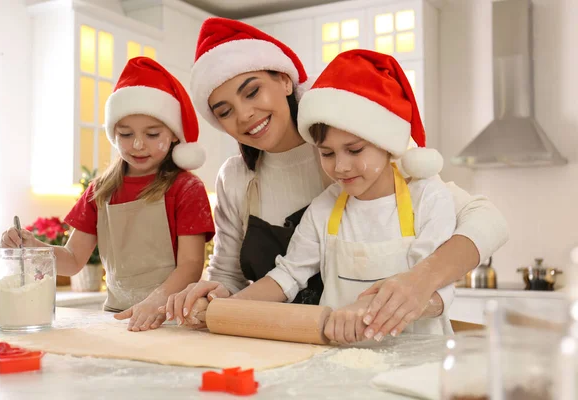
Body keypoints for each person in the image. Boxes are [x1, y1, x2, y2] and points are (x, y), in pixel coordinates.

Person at [162, 18, 509, 338]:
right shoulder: (262, 185)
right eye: (224, 111)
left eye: (252, 92)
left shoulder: (401, 177)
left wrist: (418, 283)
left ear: (285, 80)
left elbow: (486, 221)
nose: (244, 114)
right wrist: (217, 302)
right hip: (297, 341)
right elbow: (260, 275)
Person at [0, 57, 215, 332]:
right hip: (117, 319)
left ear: (173, 134)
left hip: (169, 318)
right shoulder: (100, 191)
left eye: (152, 134)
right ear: (113, 134)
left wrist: (154, 303)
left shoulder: (186, 188)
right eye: (125, 134)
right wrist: (33, 248)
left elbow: (191, 265)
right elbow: (73, 260)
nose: (137, 145)